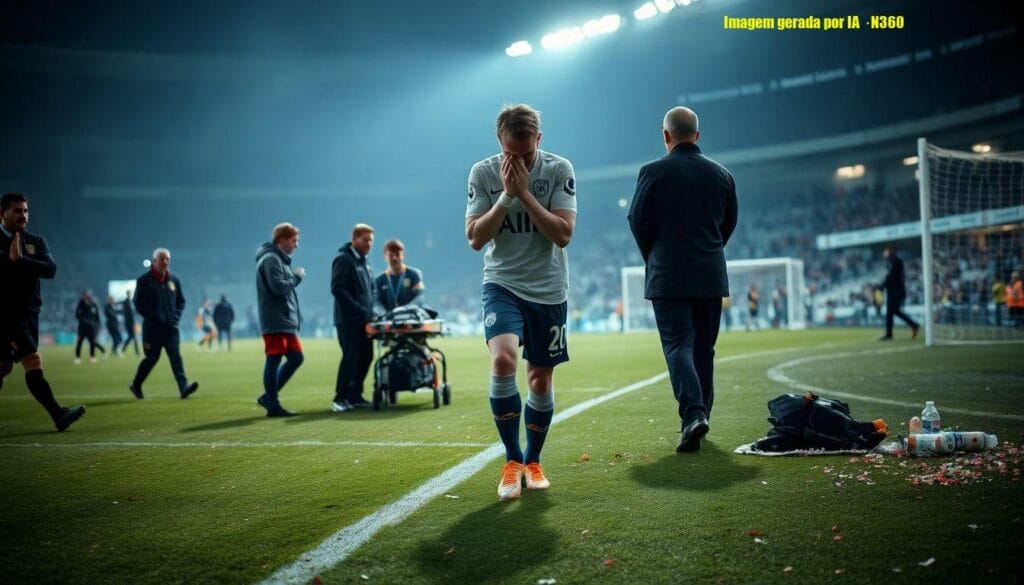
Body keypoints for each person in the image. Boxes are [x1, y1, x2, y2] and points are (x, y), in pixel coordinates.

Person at [466, 104, 577, 499]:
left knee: (540, 378)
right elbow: (476, 238)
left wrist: (525, 194)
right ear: (500, 143)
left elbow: (563, 234)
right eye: (512, 155)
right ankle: (513, 460)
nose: (520, 161)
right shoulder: (482, 173)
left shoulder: (559, 169)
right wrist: (505, 199)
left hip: (548, 289)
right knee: (502, 359)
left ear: (539, 140)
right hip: (502, 283)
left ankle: (534, 460)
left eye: (527, 154)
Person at [627, 106, 737, 453]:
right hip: (709, 273)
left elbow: (637, 220)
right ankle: (701, 415)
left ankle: (693, 414)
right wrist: (708, 252)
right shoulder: (722, 175)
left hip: (669, 275)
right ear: (697, 135)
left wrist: (655, 255)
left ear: (666, 136)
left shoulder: (652, 172)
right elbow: (728, 224)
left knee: (678, 346)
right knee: (704, 349)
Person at [0, 192, 85, 431]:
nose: (23, 215)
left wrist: (21, 261)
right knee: (32, 359)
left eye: (25, 211)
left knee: (4, 366)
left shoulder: (35, 242)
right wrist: (10, 263)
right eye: (17, 211)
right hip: (6, 315)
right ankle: (58, 415)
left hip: (30, 313)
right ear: (2, 214)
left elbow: (51, 270)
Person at [128, 247, 199, 399]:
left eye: (167, 259)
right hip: (152, 330)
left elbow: (181, 301)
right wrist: (154, 316)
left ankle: (183, 387)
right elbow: (138, 304)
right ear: (154, 261)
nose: (165, 262)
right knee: (152, 358)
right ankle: (136, 384)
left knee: (175, 356)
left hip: (171, 329)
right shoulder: (143, 281)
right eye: (161, 258)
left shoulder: (174, 280)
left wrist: (176, 317)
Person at [255, 223, 306, 417]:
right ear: (282, 239)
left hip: (284, 321)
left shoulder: (278, 260)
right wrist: (296, 278)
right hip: (275, 320)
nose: (296, 245)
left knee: (296, 358)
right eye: (294, 240)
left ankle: (268, 396)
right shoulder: (271, 260)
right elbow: (278, 288)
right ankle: (272, 404)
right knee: (274, 360)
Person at [331, 223, 376, 412]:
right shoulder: (344, 260)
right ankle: (340, 398)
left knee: (366, 356)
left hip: (364, 320)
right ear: (354, 238)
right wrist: (358, 308)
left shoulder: (363, 262)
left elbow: (370, 290)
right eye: (365, 240)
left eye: (371, 241)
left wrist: (371, 310)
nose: (368, 244)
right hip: (348, 321)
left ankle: (355, 395)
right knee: (351, 357)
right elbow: (337, 288)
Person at [879, 245, 920, 340]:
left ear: (890, 251)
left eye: (885, 250)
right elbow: (888, 276)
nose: (884, 253)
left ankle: (913, 325)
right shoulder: (890, 262)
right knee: (892, 312)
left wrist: (882, 286)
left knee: (892, 311)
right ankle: (890, 333)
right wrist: (883, 285)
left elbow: (891, 276)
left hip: (896, 291)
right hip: (891, 291)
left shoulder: (896, 261)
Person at [374, 239, 425, 312]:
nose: (394, 258)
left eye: (397, 254)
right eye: (391, 255)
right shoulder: (379, 280)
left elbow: (420, 297)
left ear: (403, 255)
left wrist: (404, 309)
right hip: (388, 318)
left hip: (411, 317)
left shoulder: (414, 274)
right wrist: (383, 313)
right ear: (385, 257)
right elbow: (376, 302)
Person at [74, 290, 105, 364]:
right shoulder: (80, 304)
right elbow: (77, 315)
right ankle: (78, 358)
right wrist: (84, 321)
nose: (86, 296)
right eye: (85, 295)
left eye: (87, 295)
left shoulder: (94, 304)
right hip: (82, 327)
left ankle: (92, 357)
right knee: (79, 342)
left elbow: (97, 316)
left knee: (92, 342)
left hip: (92, 327)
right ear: (83, 296)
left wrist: (98, 325)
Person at [121, 290, 140, 355]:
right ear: (127, 294)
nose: (130, 294)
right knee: (133, 336)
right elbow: (126, 313)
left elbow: (134, 312)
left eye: (130, 293)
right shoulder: (125, 302)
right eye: (129, 293)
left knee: (132, 336)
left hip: (133, 322)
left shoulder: (131, 302)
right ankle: (136, 351)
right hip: (129, 322)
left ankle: (124, 349)